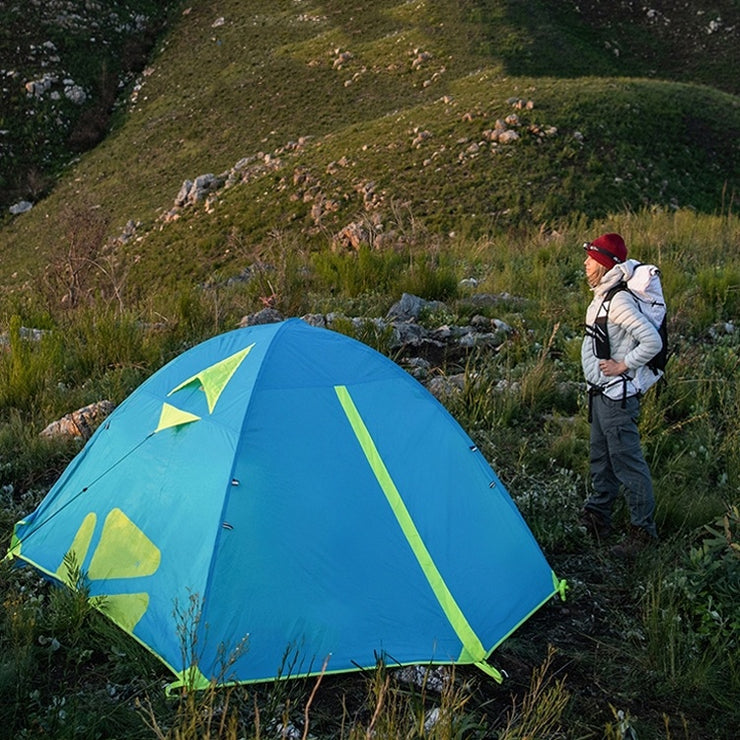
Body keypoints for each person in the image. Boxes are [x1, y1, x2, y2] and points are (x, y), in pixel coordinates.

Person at [580, 233, 661, 557]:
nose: (585, 263)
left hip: (617, 397)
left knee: (627, 463)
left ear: (603, 264)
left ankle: (643, 534)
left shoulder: (619, 301)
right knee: (602, 458)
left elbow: (651, 342)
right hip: (601, 394)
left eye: (590, 258)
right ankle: (598, 517)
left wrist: (623, 365)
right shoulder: (602, 295)